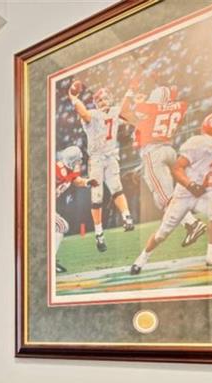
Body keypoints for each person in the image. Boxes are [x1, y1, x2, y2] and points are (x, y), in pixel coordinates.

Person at [130, 109, 212, 275]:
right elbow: (177, 168)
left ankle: (211, 257)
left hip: (205, 193)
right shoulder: (201, 143)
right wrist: (191, 185)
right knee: (162, 233)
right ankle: (142, 259)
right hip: (184, 194)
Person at [124, 84, 207, 247]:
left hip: (154, 153)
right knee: (166, 197)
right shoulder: (178, 106)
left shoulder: (149, 109)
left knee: (164, 199)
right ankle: (190, 222)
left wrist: (131, 92)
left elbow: (124, 111)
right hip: (169, 149)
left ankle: (192, 224)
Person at [68, 80, 135, 253]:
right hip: (96, 159)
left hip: (111, 156)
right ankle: (99, 234)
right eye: (99, 100)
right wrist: (73, 97)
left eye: (105, 99)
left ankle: (127, 217)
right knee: (97, 197)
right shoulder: (93, 115)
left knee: (116, 188)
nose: (103, 102)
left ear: (110, 99)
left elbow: (126, 111)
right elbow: (83, 113)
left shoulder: (114, 111)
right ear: (95, 104)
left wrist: (130, 92)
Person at [53, 145, 95, 273]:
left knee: (62, 227)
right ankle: (49, 260)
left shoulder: (68, 170)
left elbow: (76, 180)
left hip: (49, 206)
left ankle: (50, 258)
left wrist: (87, 182)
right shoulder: (57, 170)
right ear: (71, 160)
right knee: (61, 226)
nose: (80, 163)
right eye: (78, 160)